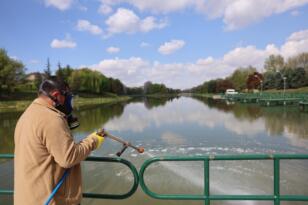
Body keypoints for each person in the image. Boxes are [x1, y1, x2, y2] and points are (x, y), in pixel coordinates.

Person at [14, 77, 105, 205]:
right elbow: (69, 158)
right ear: (56, 95)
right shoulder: (51, 118)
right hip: (51, 200)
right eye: (67, 96)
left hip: (28, 198)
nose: (69, 101)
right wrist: (94, 139)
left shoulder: (27, 114)